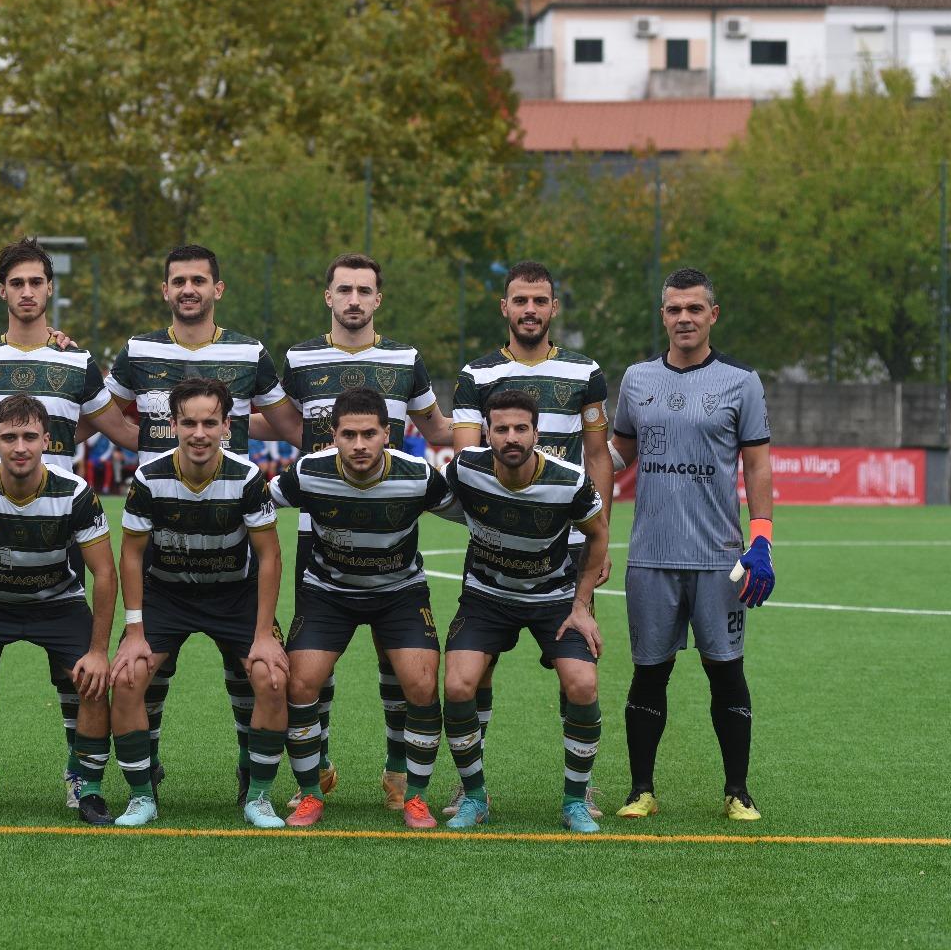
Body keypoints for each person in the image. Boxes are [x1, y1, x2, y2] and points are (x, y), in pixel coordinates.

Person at [0, 237, 139, 810]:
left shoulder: (76, 361)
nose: (28, 292)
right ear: (3, 290)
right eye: (18, 283)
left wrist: (201, 432)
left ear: (50, 288)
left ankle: (80, 777)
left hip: (59, 533)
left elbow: (118, 430)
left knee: (79, 676)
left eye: (37, 282)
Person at [256, 251, 455, 812]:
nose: (353, 301)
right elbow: (282, 423)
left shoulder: (404, 359)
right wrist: (210, 428)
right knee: (313, 659)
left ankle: (398, 770)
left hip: (389, 525)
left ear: (377, 299)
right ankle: (315, 768)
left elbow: (436, 426)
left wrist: (498, 444)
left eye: (364, 291)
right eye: (344, 290)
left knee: (401, 664)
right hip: (320, 529)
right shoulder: (299, 358)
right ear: (328, 297)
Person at [104, 244, 302, 802]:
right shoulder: (137, 351)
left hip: (229, 544)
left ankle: (254, 784)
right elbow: (102, 413)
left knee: (260, 677)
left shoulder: (249, 353)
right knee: (142, 676)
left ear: (218, 289)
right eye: (177, 281)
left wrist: (357, 444)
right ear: (165, 290)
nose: (187, 289)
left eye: (198, 280)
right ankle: (146, 785)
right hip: (164, 545)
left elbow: (290, 425)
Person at [445, 259, 613, 818]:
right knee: (473, 674)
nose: (530, 310)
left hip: (563, 554)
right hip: (497, 547)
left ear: (553, 308)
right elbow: (471, 455)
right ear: (506, 307)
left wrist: (601, 538)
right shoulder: (476, 375)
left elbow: (595, 456)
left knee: (578, 677)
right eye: (521, 300)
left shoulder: (585, 371)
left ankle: (578, 791)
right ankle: (471, 788)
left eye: (540, 301)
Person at [610, 267, 775, 822]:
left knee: (725, 670)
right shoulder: (636, 380)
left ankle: (738, 791)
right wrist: (570, 474)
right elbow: (617, 454)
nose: (685, 318)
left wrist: (762, 539)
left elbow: (756, 464)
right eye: (674, 309)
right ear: (663, 316)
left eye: (695, 309)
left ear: (712, 315)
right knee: (649, 671)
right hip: (651, 557)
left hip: (718, 560)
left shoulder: (741, 382)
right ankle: (640, 790)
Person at [0, 394, 119, 826]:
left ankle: (87, 784)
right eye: (9, 437)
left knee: (91, 681)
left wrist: (100, 651)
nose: (20, 447)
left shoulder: (76, 492)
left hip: (60, 605)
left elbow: (105, 574)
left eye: (30, 436)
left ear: (47, 441)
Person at [268, 387, 455, 828]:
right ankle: (312, 792)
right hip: (328, 593)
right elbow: (254, 502)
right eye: (348, 434)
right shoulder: (308, 472)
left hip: (400, 592)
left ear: (387, 434)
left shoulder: (419, 476)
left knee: (423, 685)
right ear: (332, 434)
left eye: (369, 434)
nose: (359, 445)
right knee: (300, 683)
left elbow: (473, 514)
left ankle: (415, 795)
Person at [107, 378, 289, 829]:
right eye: (188, 422)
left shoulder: (247, 479)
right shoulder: (149, 478)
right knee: (128, 679)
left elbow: (270, 557)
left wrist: (264, 635)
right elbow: (130, 554)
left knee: (271, 678)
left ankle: (258, 795)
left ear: (227, 426)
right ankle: (141, 795)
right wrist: (134, 631)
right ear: (173, 425)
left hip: (233, 595)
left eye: (211, 422)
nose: (200, 433)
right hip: (167, 594)